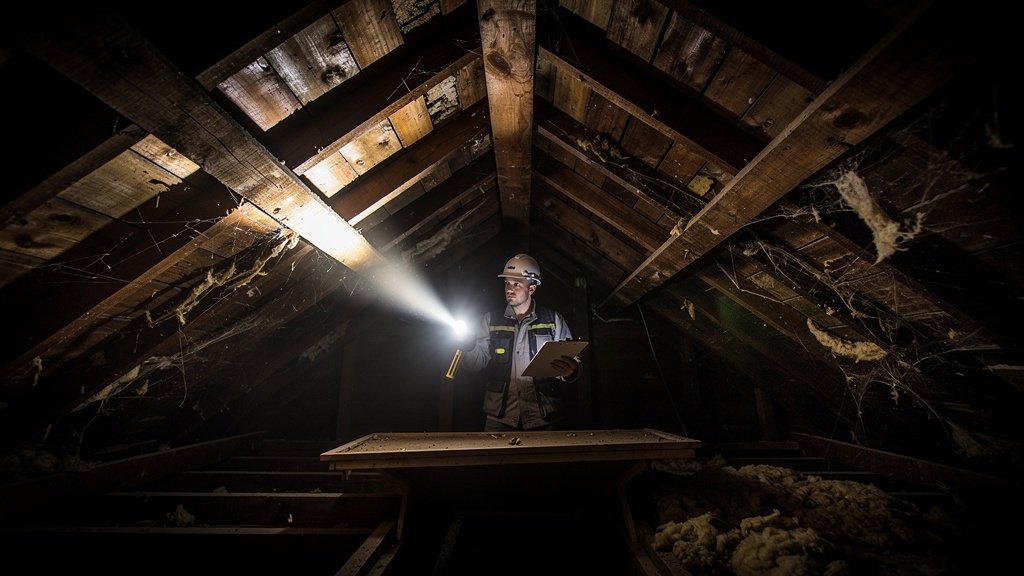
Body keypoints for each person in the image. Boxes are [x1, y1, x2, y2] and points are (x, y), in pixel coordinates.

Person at [457, 253, 581, 432]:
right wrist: (468, 347)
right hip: (501, 418)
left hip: (544, 418)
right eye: (507, 283)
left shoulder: (553, 320)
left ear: (532, 288)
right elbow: (476, 364)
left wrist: (572, 371)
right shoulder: (490, 320)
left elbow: (572, 360)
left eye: (516, 284)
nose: (509, 288)